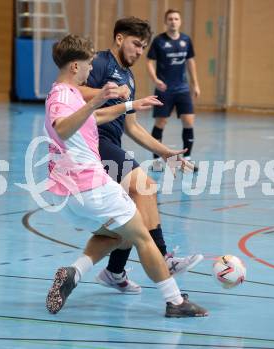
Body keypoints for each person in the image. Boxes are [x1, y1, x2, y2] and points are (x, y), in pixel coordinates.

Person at [45, 34, 208, 318]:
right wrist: (94, 101)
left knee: (117, 236)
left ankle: (74, 272)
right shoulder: (63, 97)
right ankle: (175, 302)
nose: (89, 70)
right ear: (74, 67)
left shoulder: (66, 91)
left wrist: (132, 105)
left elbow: (94, 118)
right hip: (91, 186)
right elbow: (61, 128)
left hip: (71, 196)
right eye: (87, 65)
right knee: (142, 236)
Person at [77, 17, 203, 295]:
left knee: (132, 211)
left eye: (144, 47)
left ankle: (114, 271)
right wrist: (105, 91)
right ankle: (163, 258)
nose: (139, 51)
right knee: (146, 186)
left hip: (111, 143)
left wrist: (165, 151)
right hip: (92, 144)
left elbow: (132, 127)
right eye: (136, 44)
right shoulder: (99, 63)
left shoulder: (129, 78)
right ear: (119, 39)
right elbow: (73, 91)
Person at [146, 9, 200, 171]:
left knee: (189, 121)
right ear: (166, 22)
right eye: (170, 19)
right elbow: (149, 61)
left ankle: (187, 159)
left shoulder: (186, 40)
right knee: (161, 122)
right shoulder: (159, 41)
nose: (173, 21)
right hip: (165, 89)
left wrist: (195, 84)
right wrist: (156, 80)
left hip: (182, 88)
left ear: (180, 21)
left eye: (176, 18)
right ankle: (156, 161)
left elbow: (190, 62)